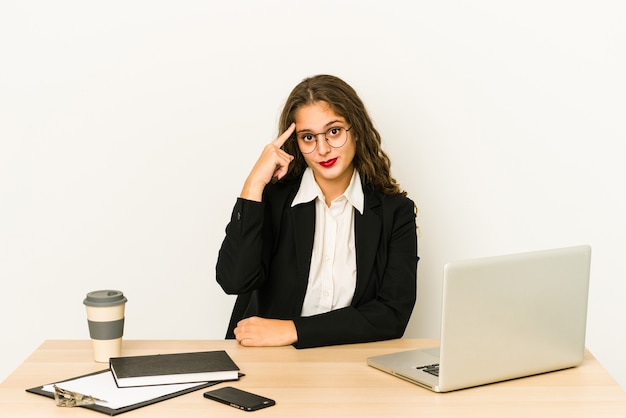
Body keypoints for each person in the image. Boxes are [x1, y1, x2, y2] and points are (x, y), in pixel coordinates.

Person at [216, 74, 418, 349]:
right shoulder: (274, 200)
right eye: (308, 137)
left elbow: (392, 315)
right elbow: (234, 280)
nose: (323, 149)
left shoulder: (395, 212)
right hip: (268, 361)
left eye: (334, 131)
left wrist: (293, 330)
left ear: (356, 130)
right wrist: (253, 185)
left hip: (351, 364)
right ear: (295, 143)